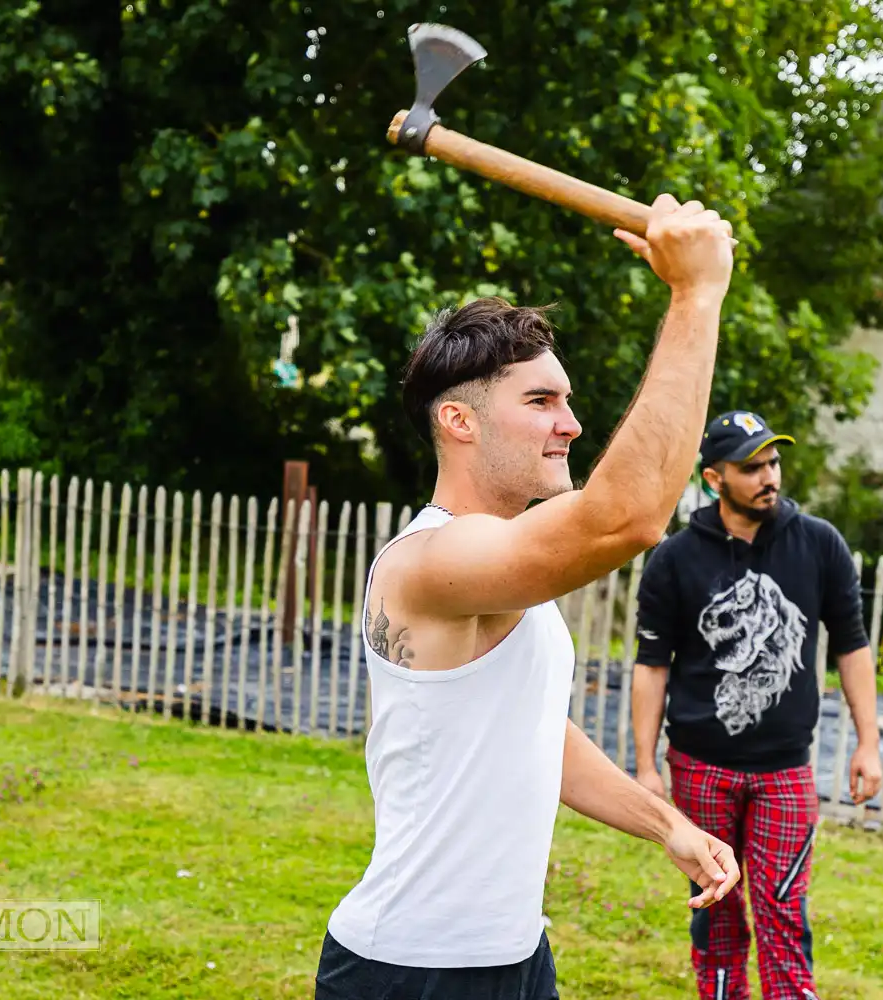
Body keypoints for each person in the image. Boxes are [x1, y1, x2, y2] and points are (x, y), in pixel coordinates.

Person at [315, 193, 744, 1000]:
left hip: (515, 958)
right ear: (459, 421)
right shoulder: (431, 560)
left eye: (568, 400)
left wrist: (667, 825)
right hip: (410, 970)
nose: (572, 424)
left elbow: (533, 729)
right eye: (541, 402)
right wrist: (695, 296)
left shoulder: (505, 566)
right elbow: (627, 519)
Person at [630, 411, 882, 1000]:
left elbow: (852, 646)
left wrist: (868, 742)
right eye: (751, 467)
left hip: (784, 771)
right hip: (699, 768)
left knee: (782, 910)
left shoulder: (819, 544)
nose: (769, 476)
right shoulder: (675, 559)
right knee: (715, 910)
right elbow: (652, 664)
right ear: (716, 479)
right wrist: (645, 765)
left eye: (773, 461)